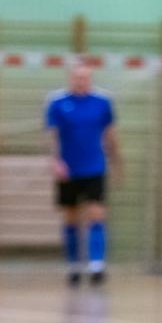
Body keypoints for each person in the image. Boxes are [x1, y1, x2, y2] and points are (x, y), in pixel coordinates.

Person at [45, 63, 118, 286]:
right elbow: (51, 135)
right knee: (71, 217)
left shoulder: (102, 102)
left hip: (95, 167)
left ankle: (97, 265)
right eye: (77, 77)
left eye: (85, 77)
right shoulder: (58, 102)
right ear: (70, 78)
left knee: (97, 214)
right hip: (69, 169)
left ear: (90, 79)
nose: (81, 81)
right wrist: (55, 161)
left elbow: (110, 134)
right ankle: (74, 265)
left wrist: (116, 161)